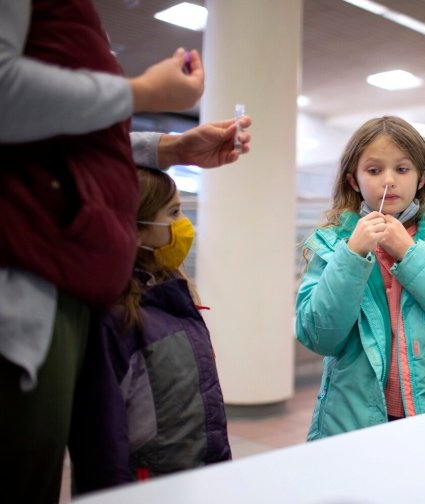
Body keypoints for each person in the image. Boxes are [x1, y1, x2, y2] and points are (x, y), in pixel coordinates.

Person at [0, 1, 247, 501]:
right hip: (28, 273)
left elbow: (72, 136)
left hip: (64, 281)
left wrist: (168, 149)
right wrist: (142, 92)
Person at [295, 116, 425, 440]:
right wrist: (352, 254)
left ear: (422, 178)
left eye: (402, 169)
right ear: (353, 180)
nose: (388, 180)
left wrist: (410, 253)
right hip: (350, 425)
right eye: (374, 170)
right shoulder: (333, 243)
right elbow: (318, 336)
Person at [68, 167, 231, 493]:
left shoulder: (174, 298)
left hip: (197, 481)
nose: (184, 225)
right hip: (147, 489)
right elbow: (102, 440)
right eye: (173, 213)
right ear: (135, 230)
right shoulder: (113, 320)